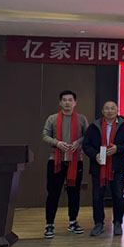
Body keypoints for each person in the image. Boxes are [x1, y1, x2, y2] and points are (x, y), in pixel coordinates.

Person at [83, 101, 124, 237]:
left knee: (118, 196)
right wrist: (94, 155)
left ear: (117, 111)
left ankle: (117, 223)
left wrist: (118, 148)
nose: (110, 111)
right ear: (102, 111)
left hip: (117, 167)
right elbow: (86, 145)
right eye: (107, 108)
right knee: (97, 197)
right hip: (98, 166)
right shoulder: (94, 126)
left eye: (113, 108)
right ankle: (98, 223)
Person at [41, 90, 89, 239]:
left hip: (76, 160)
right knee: (53, 193)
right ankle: (49, 224)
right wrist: (57, 143)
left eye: (70, 100)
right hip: (56, 161)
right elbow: (44, 135)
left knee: (74, 193)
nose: (67, 103)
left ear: (75, 103)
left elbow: (87, 135)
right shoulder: (52, 118)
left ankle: (73, 222)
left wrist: (78, 142)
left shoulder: (81, 119)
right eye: (64, 100)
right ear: (60, 102)